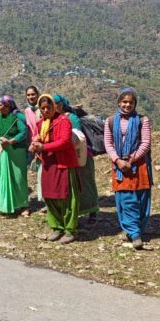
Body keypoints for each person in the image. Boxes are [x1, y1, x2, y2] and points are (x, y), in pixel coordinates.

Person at [104, 87, 153, 250]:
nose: (127, 105)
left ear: (135, 104)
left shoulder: (142, 120)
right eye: (124, 102)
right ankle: (134, 233)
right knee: (126, 199)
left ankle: (137, 228)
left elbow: (145, 143)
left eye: (131, 102)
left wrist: (131, 160)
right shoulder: (110, 121)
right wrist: (118, 160)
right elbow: (108, 143)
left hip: (139, 165)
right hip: (119, 166)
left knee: (141, 199)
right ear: (119, 102)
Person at [29, 94, 80, 244]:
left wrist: (43, 147)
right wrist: (35, 144)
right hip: (48, 164)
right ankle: (57, 226)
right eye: (42, 108)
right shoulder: (41, 124)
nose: (45, 110)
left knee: (67, 197)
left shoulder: (64, 121)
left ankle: (70, 229)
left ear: (54, 106)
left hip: (64, 163)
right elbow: (38, 139)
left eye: (48, 107)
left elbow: (64, 142)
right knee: (50, 196)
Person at [53, 94, 99, 224]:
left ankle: (92, 212)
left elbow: (76, 136)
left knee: (86, 184)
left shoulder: (71, 118)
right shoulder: (55, 119)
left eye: (54, 104)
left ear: (60, 105)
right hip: (69, 157)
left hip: (81, 156)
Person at [0, 95, 29, 217]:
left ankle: (24, 205)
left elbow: (24, 132)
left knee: (18, 178)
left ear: (7, 106)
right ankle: (5, 205)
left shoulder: (17, 117)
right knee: (4, 177)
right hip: (3, 152)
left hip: (16, 151)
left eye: (0, 105)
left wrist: (11, 141)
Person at [24, 85, 43, 210]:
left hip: (42, 144)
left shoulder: (43, 109)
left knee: (43, 173)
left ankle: (47, 200)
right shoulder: (27, 111)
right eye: (29, 95)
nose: (31, 97)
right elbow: (29, 129)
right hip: (31, 145)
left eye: (33, 94)